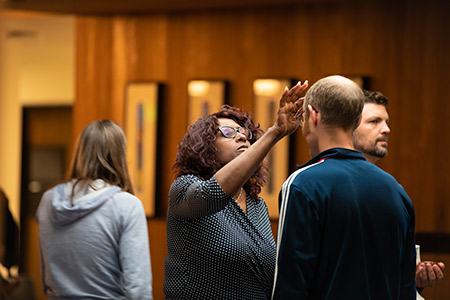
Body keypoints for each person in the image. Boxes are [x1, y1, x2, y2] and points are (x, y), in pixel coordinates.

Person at [272, 75, 416, 299]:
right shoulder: (396, 190)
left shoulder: (302, 184)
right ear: (357, 120)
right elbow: (406, 289)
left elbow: (291, 285)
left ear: (313, 115)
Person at [164, 81, 308, 300]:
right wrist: (275, 131)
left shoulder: (255, 203)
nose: (242, 137)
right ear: (205, 145)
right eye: (228, 132)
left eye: (245, 133)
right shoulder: (184, 188)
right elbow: (212, 195)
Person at [36, 120, 152, 300]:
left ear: (80, 152)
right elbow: (138, 289)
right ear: (120, 155)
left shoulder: (48, 201)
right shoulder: (126, 205)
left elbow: (46, 277)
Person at [353, 89, 445, 294]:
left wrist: (415, 279)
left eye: (386, 122)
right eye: (374, 121)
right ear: (349, 127)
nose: (386, 129)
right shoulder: (324, 186)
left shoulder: (393, 191)